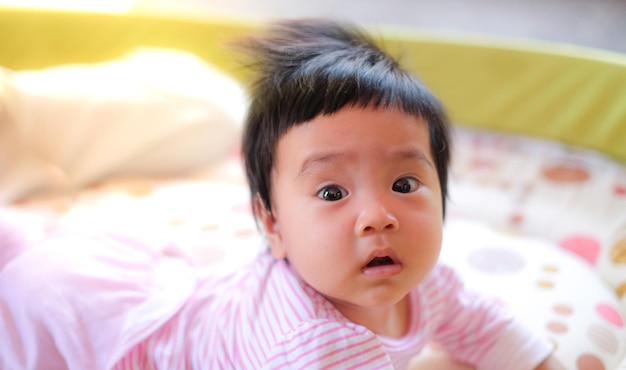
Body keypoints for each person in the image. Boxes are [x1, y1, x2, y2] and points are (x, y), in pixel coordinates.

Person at [0, 19, 564, 370]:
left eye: (404, 184)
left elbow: (482, 325)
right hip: (85, 323)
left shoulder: (425, 279)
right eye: (332, 190)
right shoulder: (314, 347)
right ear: (273, 227)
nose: (378, 216)